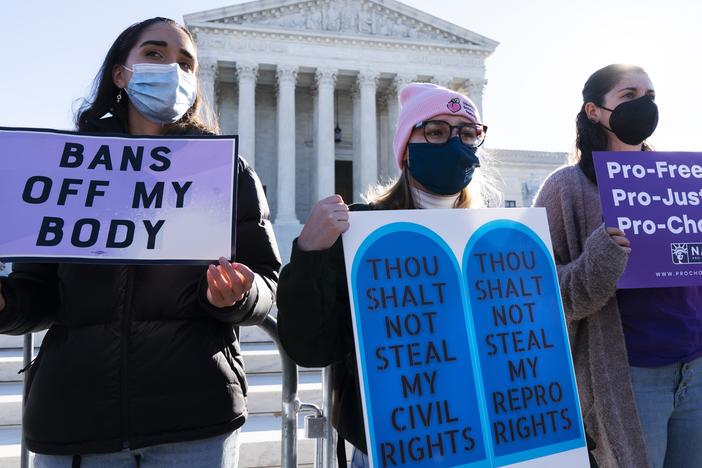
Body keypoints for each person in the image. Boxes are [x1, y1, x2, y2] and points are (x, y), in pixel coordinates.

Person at [0, 17, 280, 467]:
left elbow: (267, 281)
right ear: (120, 73)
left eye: (186, 63)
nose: (172, 70)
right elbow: (37, 292)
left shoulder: (224, 171)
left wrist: (239, 295)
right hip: (76, 419)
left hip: (195, 417)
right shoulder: (66, 168)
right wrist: (4, 303)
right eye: (154, 54)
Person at [276, 83, 499, 468]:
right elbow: (311, 346)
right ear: (406, 148)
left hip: (484, 436)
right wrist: (310, 254)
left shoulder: (496, 240)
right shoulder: (359, 233)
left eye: (467, 133)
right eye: (435, 131)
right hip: (388, 440)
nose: (453, 143)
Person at [534, 64, 702, 468]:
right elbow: (545, 294)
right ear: (594, 111)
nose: (643, 105)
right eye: (629, 96)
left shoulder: (681, 177)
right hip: (630, 375)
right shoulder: (565, 189)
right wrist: (601, 254)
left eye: (650, 97)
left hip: (696, 368)